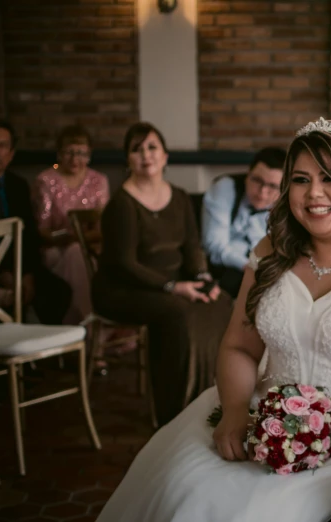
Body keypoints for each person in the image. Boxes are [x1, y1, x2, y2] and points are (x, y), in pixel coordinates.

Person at [96, 117, 331, 522]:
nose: (314, 193)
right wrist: (236, 410)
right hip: (259, 418)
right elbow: (240, 346)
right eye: (300, 179)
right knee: (184, 493)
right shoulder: (270, 251)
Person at [92, 121, 233, 426]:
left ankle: (211, 398)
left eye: (152, 147)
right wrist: (174, 287)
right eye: (136, 149)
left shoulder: (180, 197)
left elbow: (193, 247)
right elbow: (125, 264)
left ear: (166, 156)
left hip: (172, 285)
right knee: (176, 313)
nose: (146, 154)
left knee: (220, 302)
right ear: (128, 159)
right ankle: (172, 413)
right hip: (123, 289)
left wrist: (202, 277)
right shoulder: (122, 204)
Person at [0, 118, 70, 325]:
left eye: (2, 146)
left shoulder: (18, 185)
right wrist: (1, 273)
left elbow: (30, 236)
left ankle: (47, 354)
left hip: (17, 265)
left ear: (11, 154)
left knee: (59, 292)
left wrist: (26, 273)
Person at [33, 124, 110, 326]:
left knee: (83, 255)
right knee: (76, 253)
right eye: (69, 152)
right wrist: (74, 237)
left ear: (89, 154)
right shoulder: (46, 180)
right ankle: (90, 325)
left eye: (81, 153)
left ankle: (79, 329)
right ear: (59, 154)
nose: (75, 159)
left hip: (92, 248)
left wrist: (83, 240)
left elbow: (103, 228)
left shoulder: (99, 181)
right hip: (55, 250)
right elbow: (43, 230)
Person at [201, 146, 286, 297]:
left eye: (273, 186)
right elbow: (215, 245)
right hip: (226, 269)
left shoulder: (288, 204)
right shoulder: (226, 187)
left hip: (267, 270)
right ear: (248, 174)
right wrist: (248, 266)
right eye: (257, 180)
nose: (262, 192)